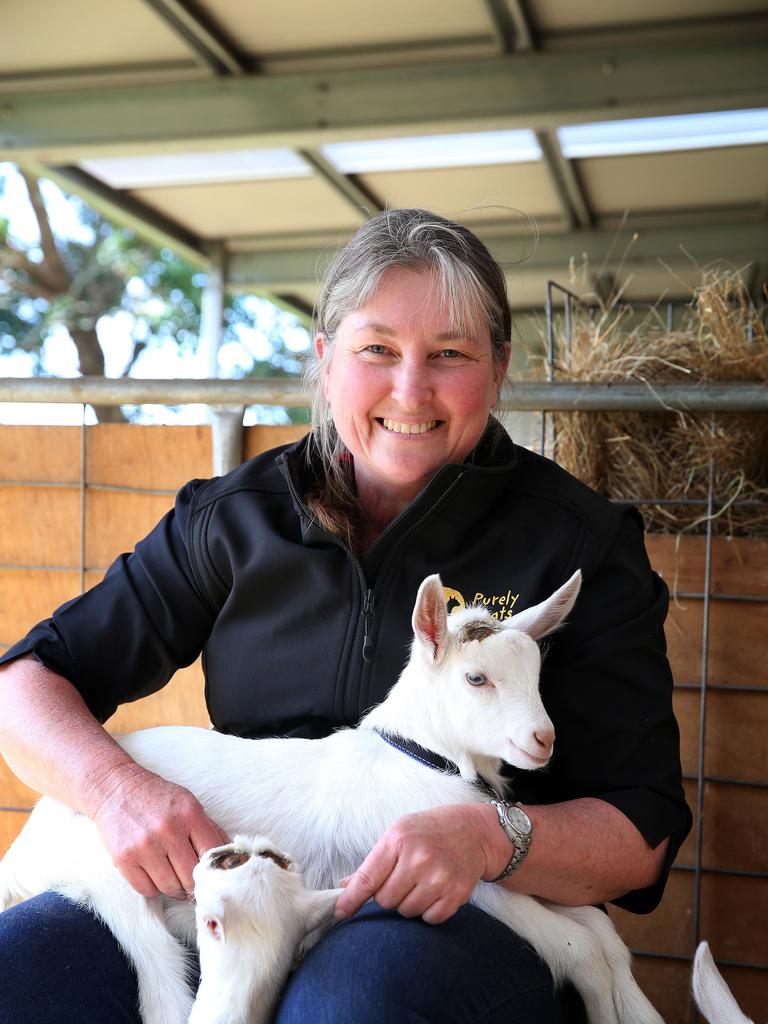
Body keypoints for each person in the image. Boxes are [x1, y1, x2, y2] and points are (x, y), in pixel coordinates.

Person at [0, 208, 691, 1023]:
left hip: (459, 912)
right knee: (21, 974)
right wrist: (115, 791)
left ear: (500, 366)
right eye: (376, 350)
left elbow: (640, 836)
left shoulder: (579, 544)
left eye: (451, 354)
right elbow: (28, 682)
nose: (411, 390)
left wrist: (488, 840)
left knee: (350, 1004)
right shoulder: (235, 519)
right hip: (231, 892)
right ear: (325, 359)